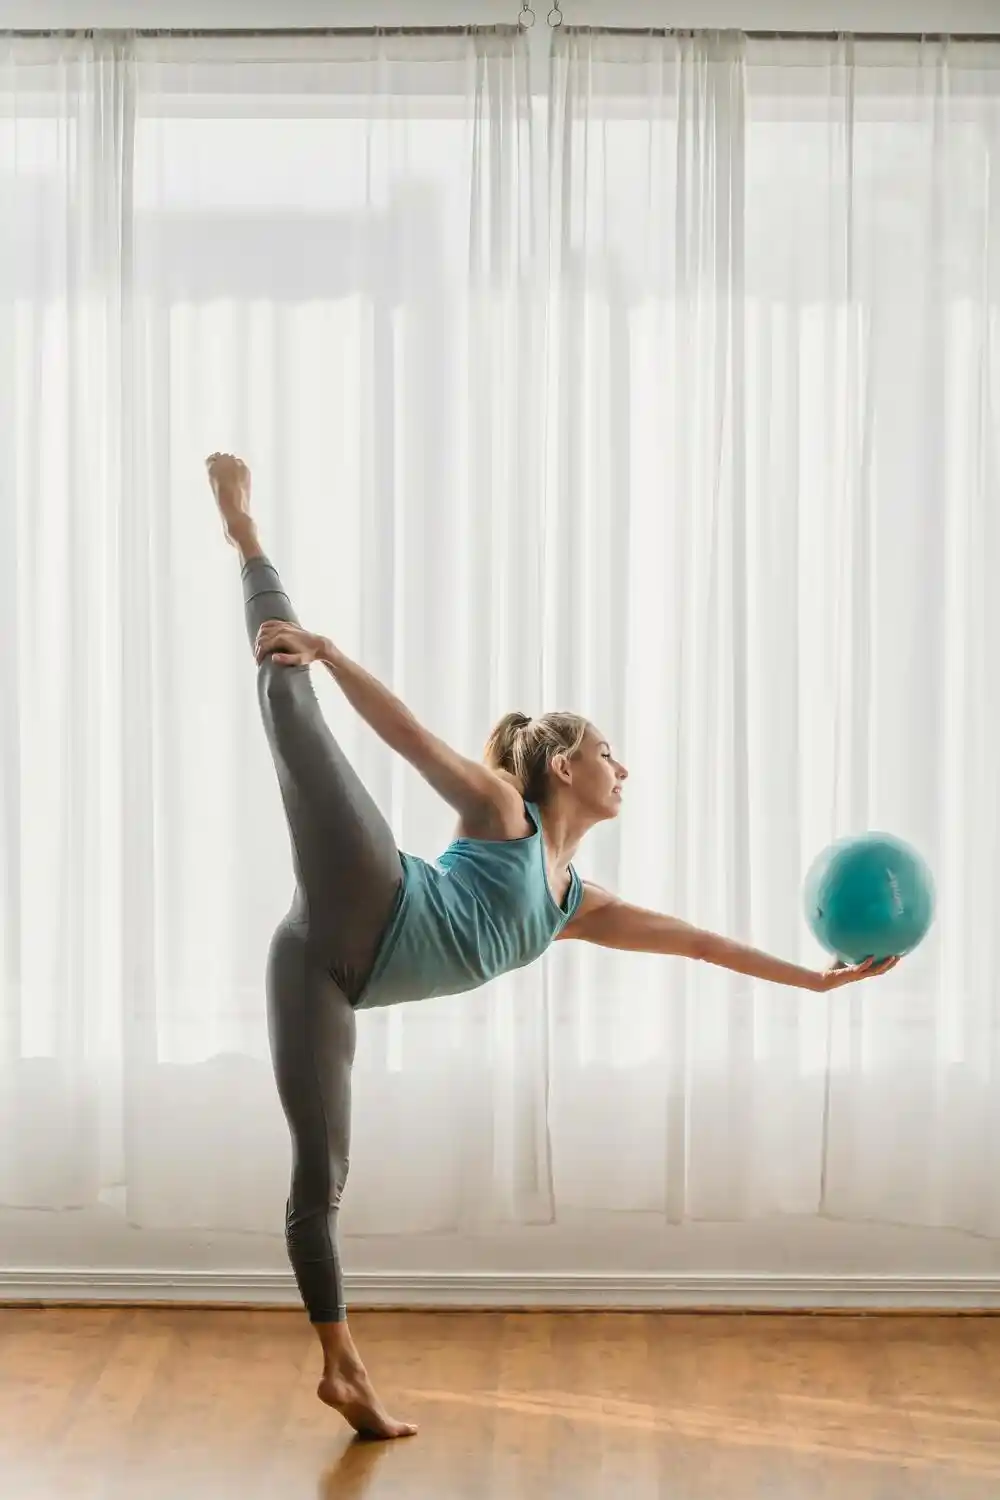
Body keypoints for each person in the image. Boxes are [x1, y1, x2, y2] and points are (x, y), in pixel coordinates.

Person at [205, 452, 898, 1441]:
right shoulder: (500, 813)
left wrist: (818, 983)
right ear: (566, 765)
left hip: (321, 975)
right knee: (288, 697)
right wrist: (329, 650)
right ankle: (243, 531)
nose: (627, 767)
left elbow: (699, 943)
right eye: (611, 752)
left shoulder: (576, 902)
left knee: (321, 1177)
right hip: (370, 897)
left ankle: (342, 1369)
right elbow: (411, 740)